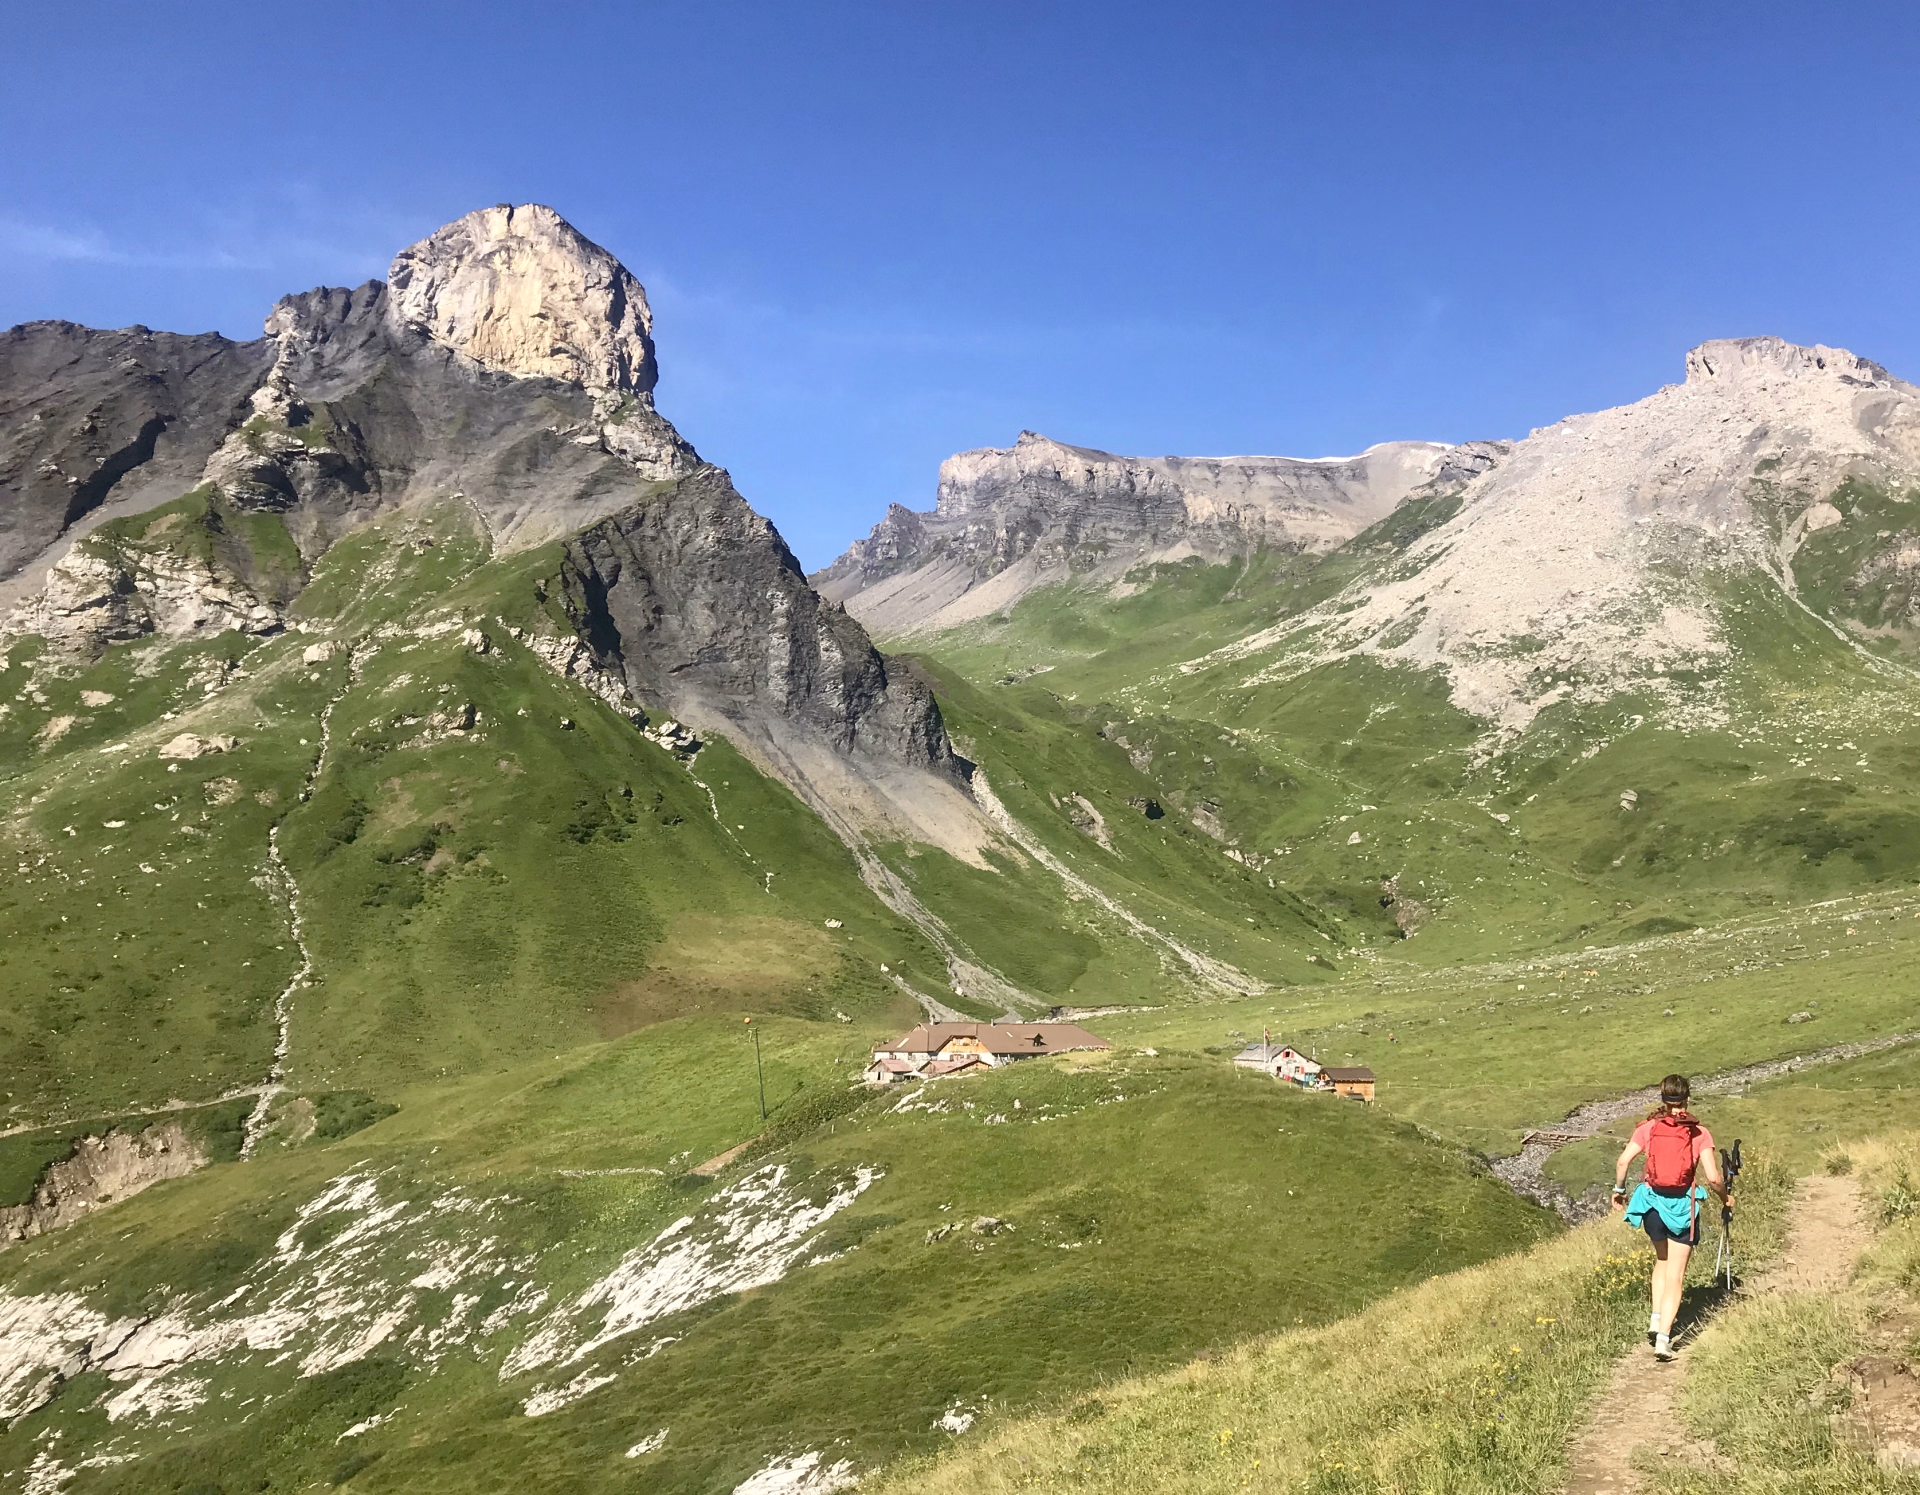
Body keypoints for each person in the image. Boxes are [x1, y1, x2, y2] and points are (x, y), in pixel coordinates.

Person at [1611, 1074, 1729, 1361]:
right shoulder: (1699, 1132)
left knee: (1661, 1261)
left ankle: (1655, 1318)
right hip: (1681, 1210)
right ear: (1687, 1098)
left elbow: (1623, 1161)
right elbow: (1713, 1178)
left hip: (1651, 1205)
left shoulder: (1649, 1128)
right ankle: (1664, 1340)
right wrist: (1726, 1198)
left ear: (1662, 1098)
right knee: (1676, 1274)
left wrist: (1618, 1190)